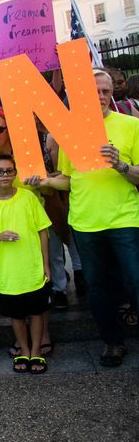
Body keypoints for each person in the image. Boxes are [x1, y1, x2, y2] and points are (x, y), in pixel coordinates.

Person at [31, 69, 139, 368]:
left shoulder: (131, 126)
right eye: (94, 92)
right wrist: (43, 182)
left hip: (125, 221)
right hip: (85, 224)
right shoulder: (71, 132)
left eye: (105, 91)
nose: (101, 96)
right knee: (98, 288)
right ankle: (112, 343)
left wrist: (121, 166)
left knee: (135, 282)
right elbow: (68, 178)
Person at [0, 154, 52, 374]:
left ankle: (36, 351)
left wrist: (46, 264)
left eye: (9, 171)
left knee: (37, 312)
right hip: (9, 272)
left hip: (33, 267)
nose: (5, 175)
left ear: (15, 173)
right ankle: (24, 350)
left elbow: (43, 231)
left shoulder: (28, 197)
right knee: (16, 315)